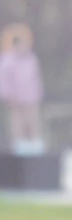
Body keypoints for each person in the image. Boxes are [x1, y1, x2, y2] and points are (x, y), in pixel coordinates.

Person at [0, 24, 44, 153]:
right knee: (17, 125)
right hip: (16, 101)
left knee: (33, 124)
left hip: (31, 100)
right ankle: (18, 150)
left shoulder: (32, 59)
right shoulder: (8, 60)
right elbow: (4, 80)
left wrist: (38, 95)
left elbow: (37, 79)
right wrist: (8, 96)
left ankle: (35, 150)